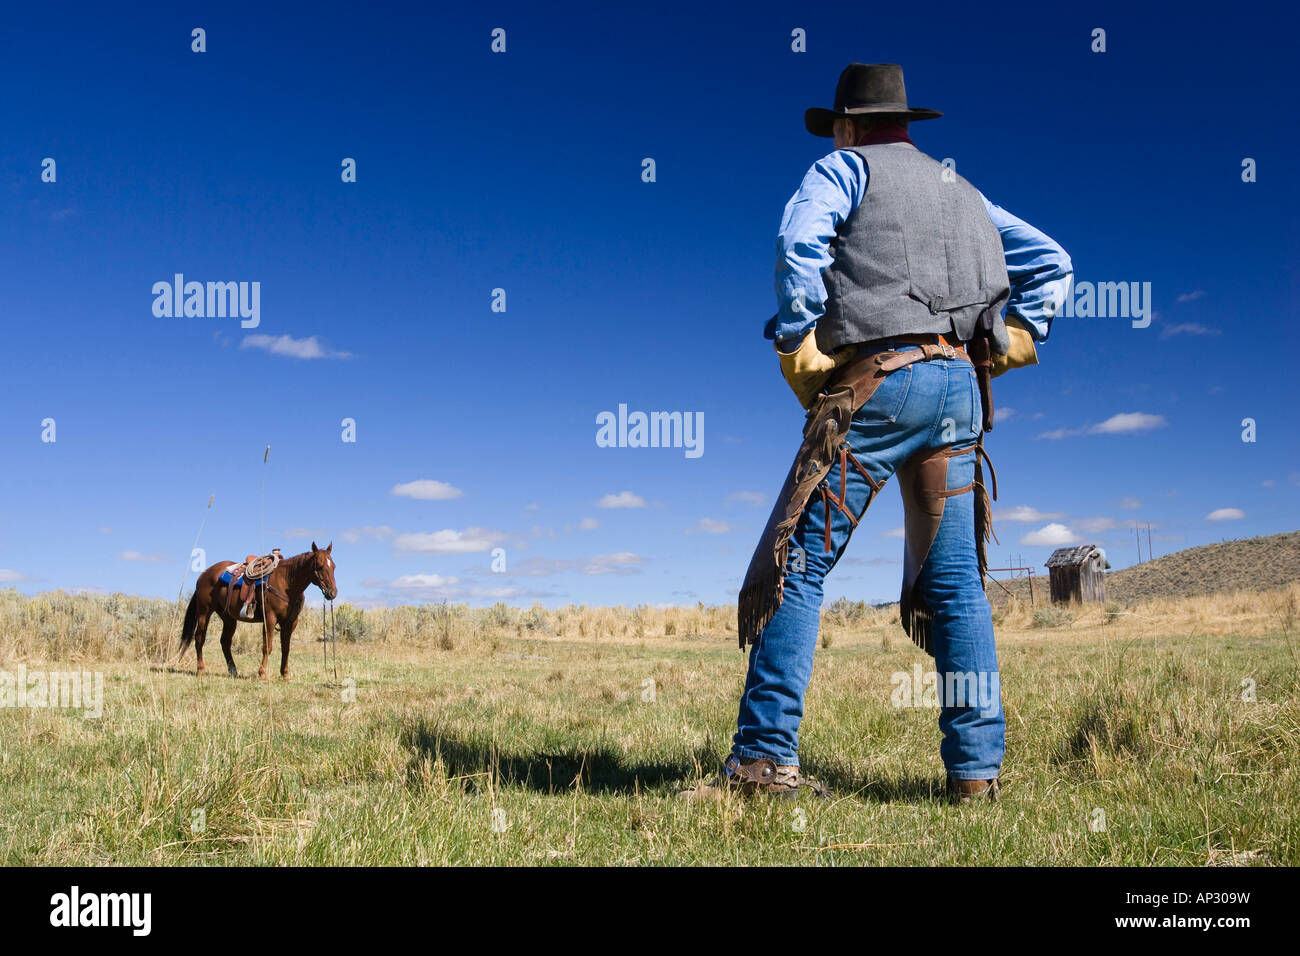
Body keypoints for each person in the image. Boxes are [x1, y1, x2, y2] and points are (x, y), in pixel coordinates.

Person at [682, 63, 1072, 804]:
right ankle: (976, 777)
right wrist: (1018, 335)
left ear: (848, 125)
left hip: (879, 382)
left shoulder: (844, 169)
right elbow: (1054, 262)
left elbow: (799, 243)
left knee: (796, 560)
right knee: (956, 585)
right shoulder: (966, 195)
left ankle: (764, 766)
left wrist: (797, 338)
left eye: (835, 125)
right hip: (961, 391)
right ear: (906, 123)